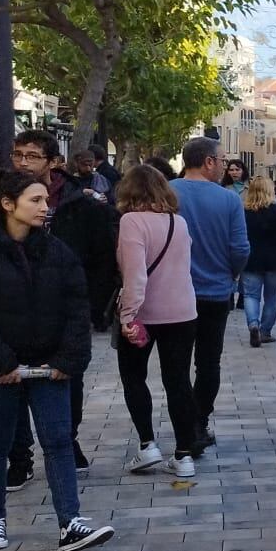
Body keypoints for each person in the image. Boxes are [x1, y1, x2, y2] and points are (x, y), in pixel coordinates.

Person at [0, 170, 110, 551]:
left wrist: (68, 359)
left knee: (57, 440)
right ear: (8, 204)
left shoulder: (57, 252)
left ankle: (69, 522)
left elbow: (76, 307)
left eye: (45, 199)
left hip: (49, 366)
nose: (45, 207)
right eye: (35, 200)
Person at [6, 130, 107, 478]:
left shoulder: (77, 203)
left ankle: (67, 440)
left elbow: (99, 256)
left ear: (53, 162)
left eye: (31, 155)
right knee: (13, 380)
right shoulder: (0, 197)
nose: (22, 161)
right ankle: (19, 456)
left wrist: (91, 304)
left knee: (68, 378)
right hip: (13, 307)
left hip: (62, 307)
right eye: (17, 154)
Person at [114, 166, 200, 479]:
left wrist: (128, 315)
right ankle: (184, 454)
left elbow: (135, 273)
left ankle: (148, 444)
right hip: (182, 310)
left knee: (134, 377)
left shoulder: (131, 221)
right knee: (178, 380)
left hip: (145, 314)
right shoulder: (178, 222)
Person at [170, 137, 250, 452]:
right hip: (215, 292)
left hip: (173, 291)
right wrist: (231, 273)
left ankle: (184, 427)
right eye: (221, 159)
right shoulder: (228, 200)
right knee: (208, 362)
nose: (224, 165)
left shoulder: (167, 192)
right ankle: (198, 423)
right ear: (208, 162)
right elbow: (240, 247)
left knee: (176, 364)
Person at [50, 149, 120, 335]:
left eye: (91, 163)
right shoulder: (70, 185)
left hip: (97, 238)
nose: (88, 167)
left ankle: (97, 316)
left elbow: (112, 204)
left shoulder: (102, 180)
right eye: (85, 163)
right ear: (77, 162)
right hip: (77, 238)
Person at [241, 175, 276, 348]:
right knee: (272, 298)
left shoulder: (244, 212)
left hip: (251, 260)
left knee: (250, 295)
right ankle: (265, 331)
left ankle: (253, 324)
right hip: (275, 261)